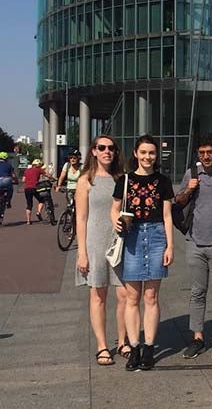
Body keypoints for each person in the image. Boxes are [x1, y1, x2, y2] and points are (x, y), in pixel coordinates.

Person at [111, 134, 175, 371]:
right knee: (132, 297)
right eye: (144, 152)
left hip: (157, 234)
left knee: (151, 296)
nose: (148, 157)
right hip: (133, 236)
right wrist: (116, 221)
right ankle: (134, 347)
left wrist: (170, 245)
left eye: (152, 153)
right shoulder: (125, 180)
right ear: (136, 154)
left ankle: (149, 347)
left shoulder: (163, 181)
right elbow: (114, 209)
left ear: (156, 156)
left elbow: (167, 216)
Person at [176, 133, 212, 360]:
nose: (206, 156)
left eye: (210, 152)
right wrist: (189, 189)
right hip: (196, 241)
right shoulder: (193, 173)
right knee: (197, 292)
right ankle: (197, 337)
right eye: (202, 153)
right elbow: (178, 201)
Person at [75, 136, 129, 365]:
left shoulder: (122, 179)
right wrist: (82, 253)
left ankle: (124, 341)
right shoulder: (86, 180)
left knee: (125, 294)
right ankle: (102, 345)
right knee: (98, 295)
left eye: (111, 148)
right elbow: (81, 218)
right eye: (102, 148)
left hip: (119, 242)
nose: (107, 151)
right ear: (94, 152)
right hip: (95, 243)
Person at [23, 159, 55, 225]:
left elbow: (23, 180)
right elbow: (47, 175)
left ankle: (28, 221)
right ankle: (38, 212)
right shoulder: (38, 170)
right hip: (35, 187)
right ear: (38, 165)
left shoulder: (26, 170)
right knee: (41, 200)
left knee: (29, 204)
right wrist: (53, 178)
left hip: (27, 189)